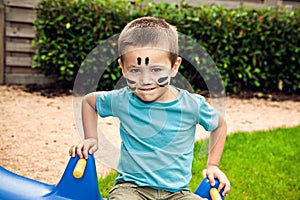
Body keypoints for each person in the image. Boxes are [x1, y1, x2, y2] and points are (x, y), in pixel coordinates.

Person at [69, 16, 230, 200]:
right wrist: (91, 138)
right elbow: (90, 102)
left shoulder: (192, 105)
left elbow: (219, 125)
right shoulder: (123, 99)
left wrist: (213, 165)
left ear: (174, 67)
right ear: (123, 68)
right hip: (132, 189)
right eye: (135, 70)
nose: (145, 81)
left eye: (156, 70)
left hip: (177, 193)